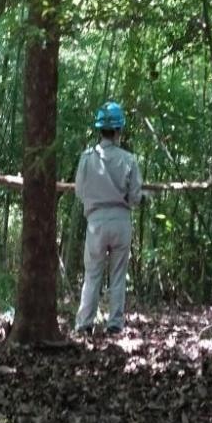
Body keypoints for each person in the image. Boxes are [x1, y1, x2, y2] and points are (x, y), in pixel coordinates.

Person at [73, 101, 144, 337]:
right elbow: (134, 197)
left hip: (96, 222)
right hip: (121, 221)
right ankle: (115, 323)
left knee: (92, 274)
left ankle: (85, 323)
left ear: (100, 130)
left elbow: (79, 192)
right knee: (117, 275)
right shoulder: (129, 159)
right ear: (118, 131)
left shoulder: (86, 158)